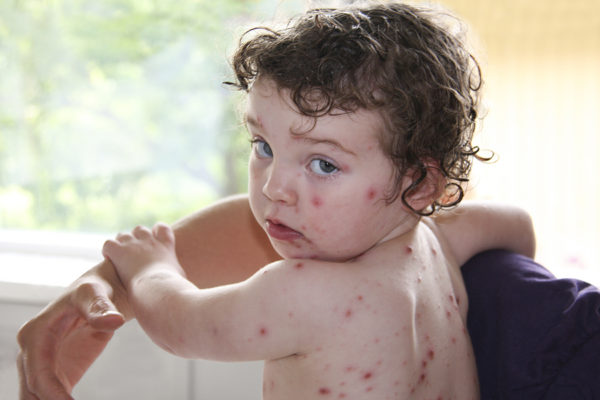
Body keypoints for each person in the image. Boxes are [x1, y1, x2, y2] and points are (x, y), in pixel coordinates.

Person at [95, 3, 538, 399]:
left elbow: (184, 326)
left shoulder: (305, 291)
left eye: (323, 165)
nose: (273, 188)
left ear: (419, 183)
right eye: (263, 146)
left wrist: (150, 268)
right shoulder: (440, 242)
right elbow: (518, 226)